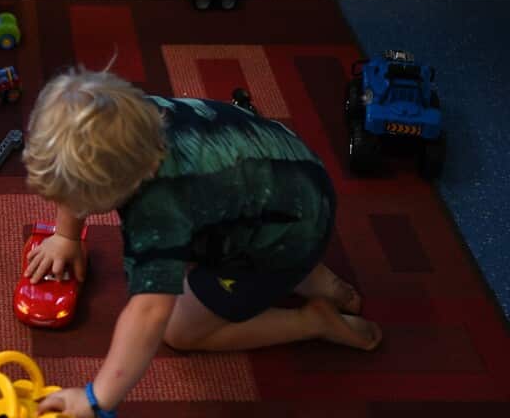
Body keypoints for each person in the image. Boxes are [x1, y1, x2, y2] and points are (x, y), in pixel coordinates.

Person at [22, 68, 381, 417]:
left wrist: (96, 399)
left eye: (80, 200)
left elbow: (149, 312)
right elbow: (79, 165)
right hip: (295, 180)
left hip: (287, 235)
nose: (72, 205)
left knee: (179, 330)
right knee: (248, 222)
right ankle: (306, 273)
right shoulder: (126, 118)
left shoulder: (158, 211)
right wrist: (66, 235)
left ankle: (312, 321)